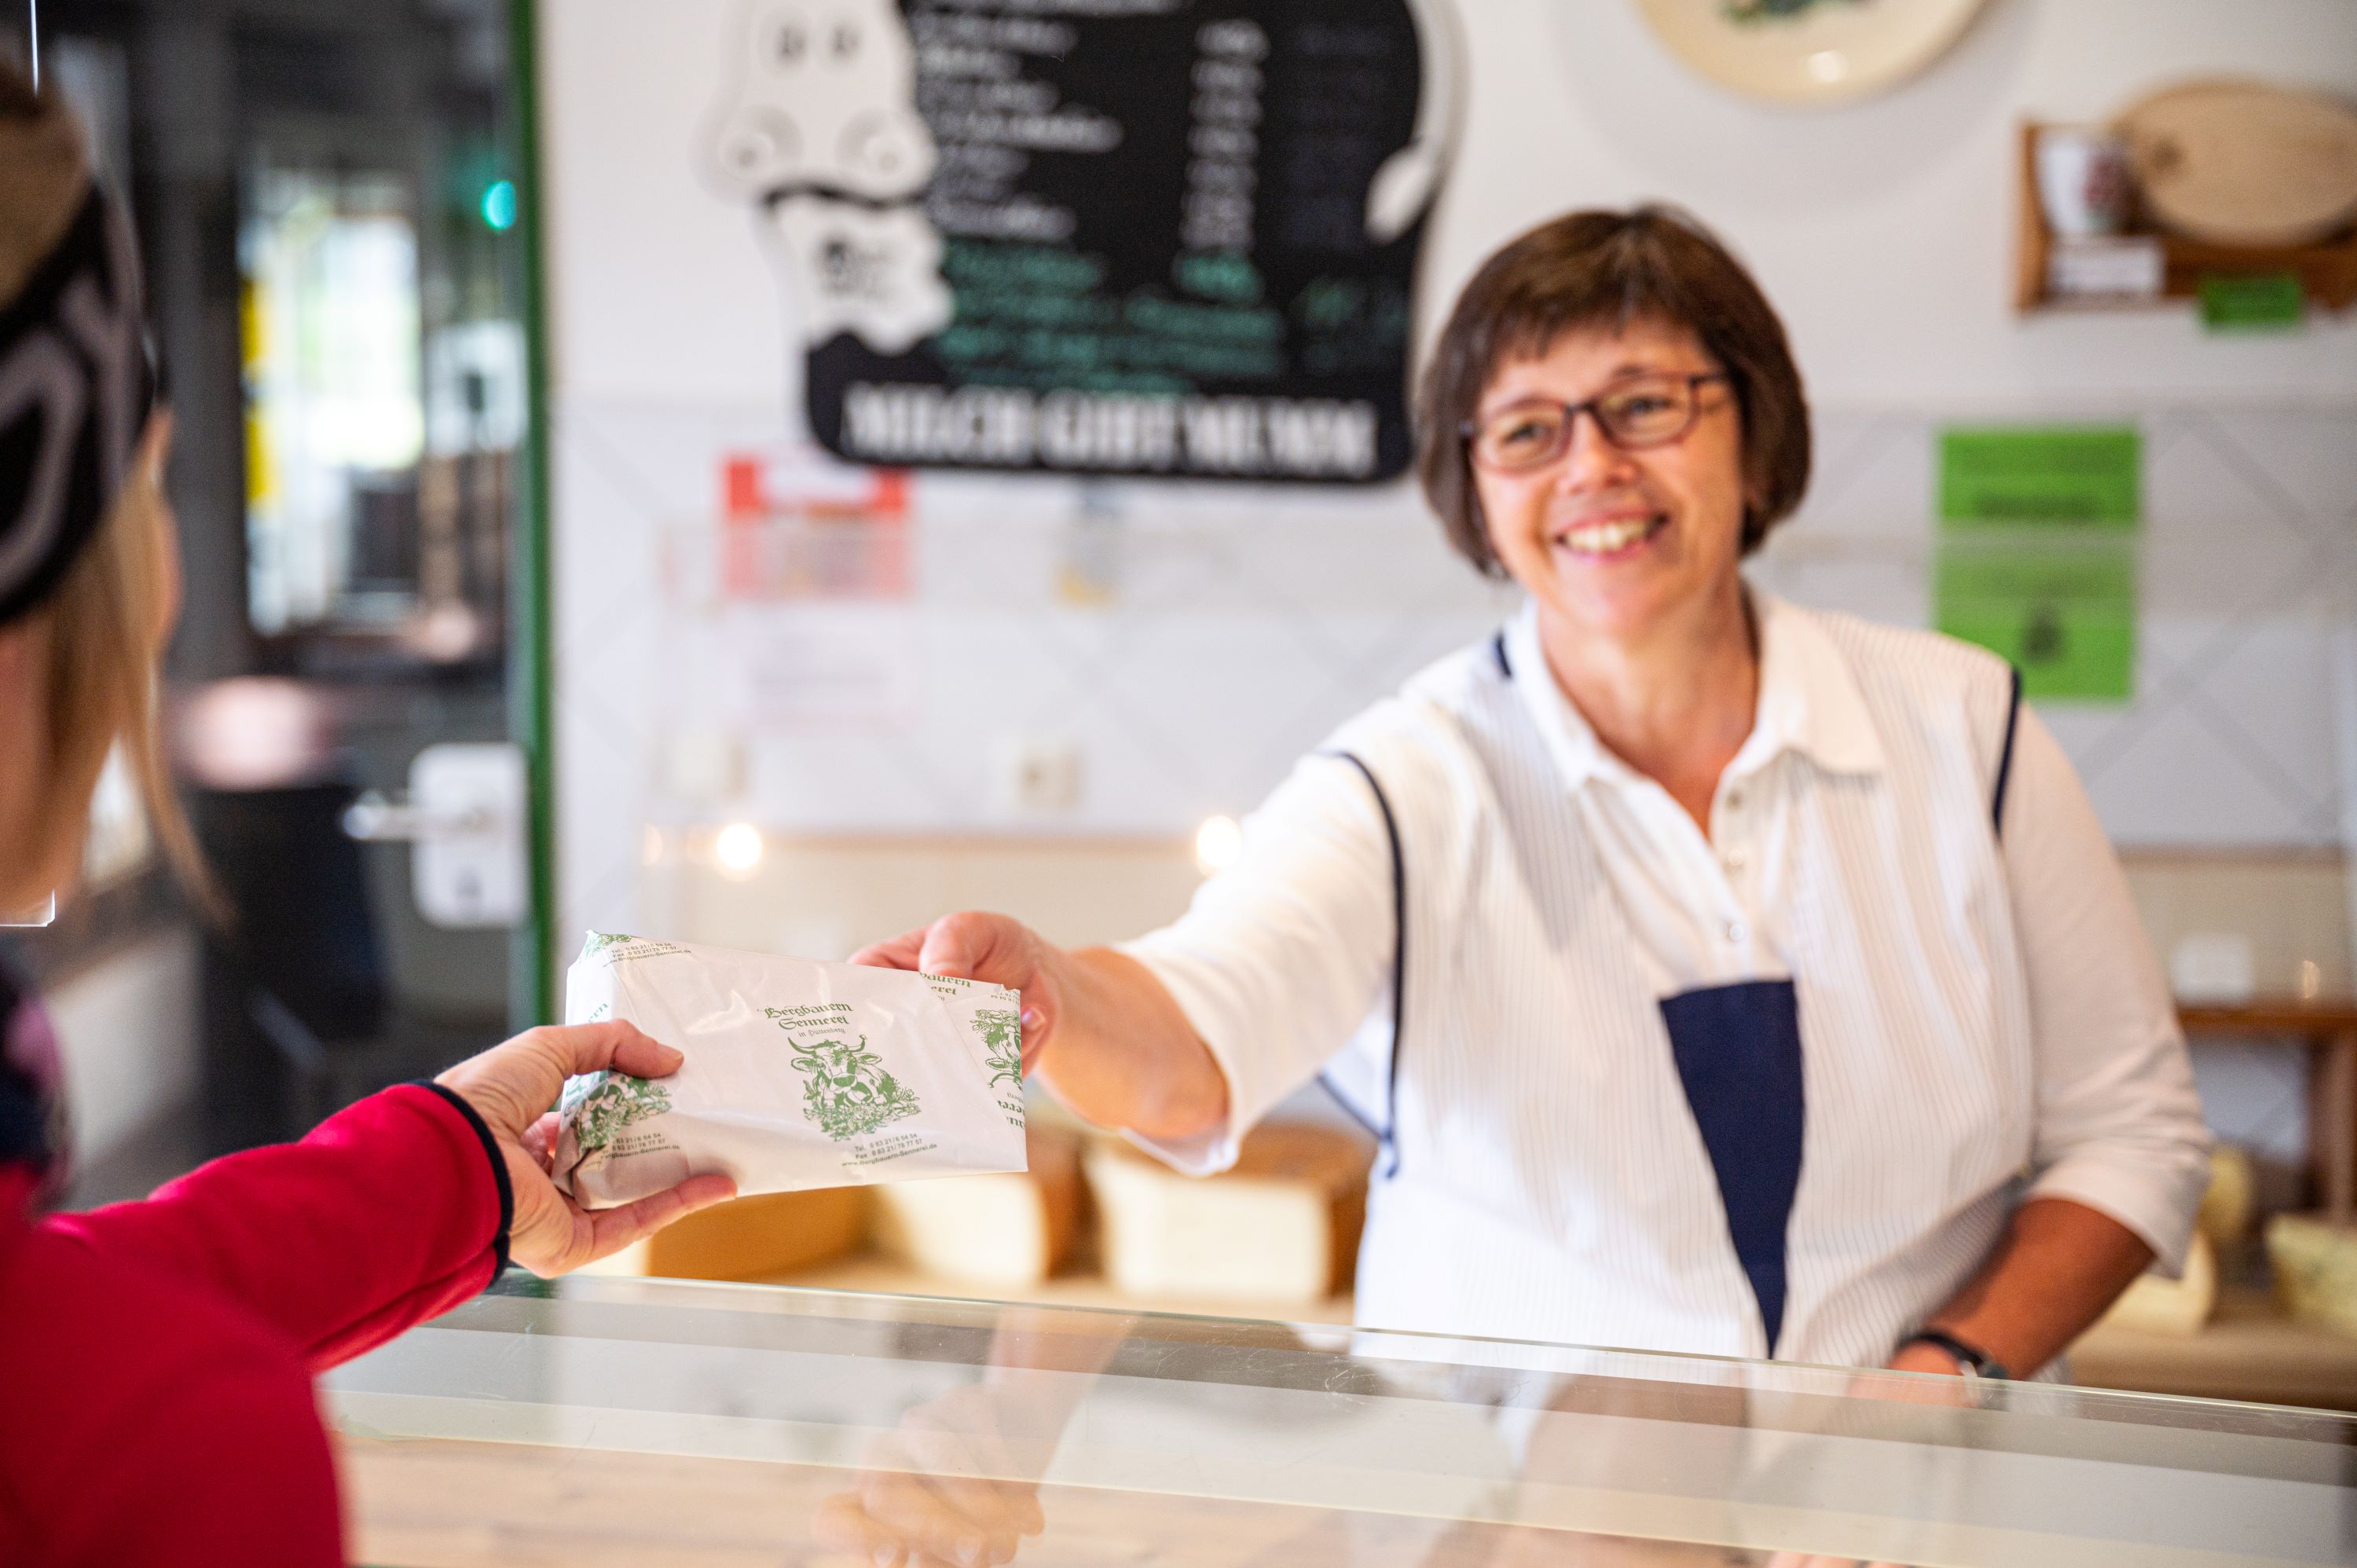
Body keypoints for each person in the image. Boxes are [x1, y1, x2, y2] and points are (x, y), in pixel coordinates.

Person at [860, 207, 2212, 1383]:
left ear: (1754, 436)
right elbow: (1199, 1027)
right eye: (1526, 428)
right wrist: (1048, 990)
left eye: (1645, 405)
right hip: (1514, 1515)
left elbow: (2133, 1137)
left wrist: (1945, 1373)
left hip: (1911, 1515)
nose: (1592, 468)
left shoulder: (1964, 730)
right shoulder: (1402, 782)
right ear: (1477, 491)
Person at [0, 65, 735, 1566]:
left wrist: (458, 1164)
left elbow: (55, 1288)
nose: (171, 596)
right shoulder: (152, 1454)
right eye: (145, 500)